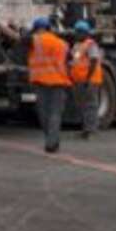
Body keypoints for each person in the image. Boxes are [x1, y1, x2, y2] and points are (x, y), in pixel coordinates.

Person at [27, 15, 73, 153]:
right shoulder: (62, 44)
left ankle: (51, 141)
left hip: (41, 82)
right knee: (55, 114)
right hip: (59, 82)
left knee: (44, 114)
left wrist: (0, 26)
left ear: (36, 29)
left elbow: (17, 39)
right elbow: (69, 62)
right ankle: (52, 141)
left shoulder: (35, 40)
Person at [68, 20, 106, 140]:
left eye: (80, 32)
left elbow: (94, 61)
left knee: (90, 105)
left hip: (90, 80)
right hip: (79, 81)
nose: (77, 34)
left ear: (86, 33)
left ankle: (91, 130)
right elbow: (74, 62)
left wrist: (88, 79)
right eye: (76, 32)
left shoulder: (90, 44)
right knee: (82, 106)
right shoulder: (76, 46)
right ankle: (85, 129)